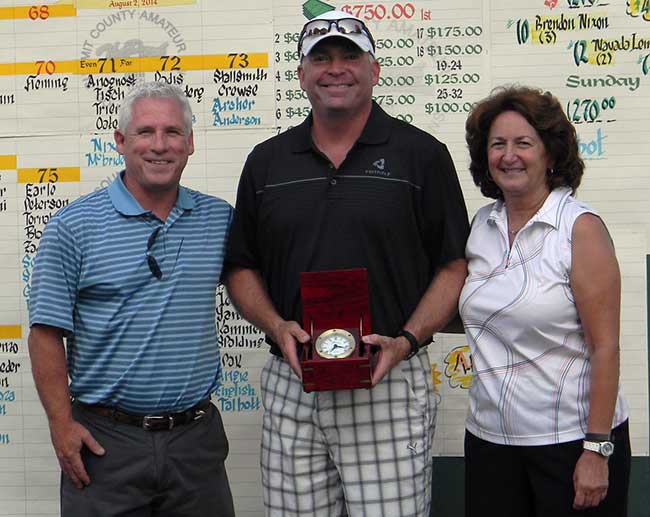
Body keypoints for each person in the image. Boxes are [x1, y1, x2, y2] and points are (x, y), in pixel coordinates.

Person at [224, 9, 469, 517]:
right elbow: (240, 267)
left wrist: (405, 341)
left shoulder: (421, 154)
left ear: (374, 70)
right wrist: (276, 325)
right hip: (293, 381)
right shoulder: (267, 161)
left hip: (388, 379)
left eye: (349, 56)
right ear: (301, 75)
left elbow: (453, 265)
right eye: (321, 58)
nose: (335, 69)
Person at [28, 82, 235, 517]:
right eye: (145, 132)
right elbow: (46, 333)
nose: (159, 146)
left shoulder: (219, 220)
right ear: (120, 142)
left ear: (190, 143)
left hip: (194, 443)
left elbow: (260, 284)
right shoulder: (73, 227)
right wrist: (61, 426)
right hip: (106, 444)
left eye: (172, 132)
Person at [460, 85, 630, 516]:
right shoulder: (483, 225)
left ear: (551, 155)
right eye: (497, 144)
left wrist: (597, 448)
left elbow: (605, 346)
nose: (508, 155)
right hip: (490, 440)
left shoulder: (579, 229)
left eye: (524, 143)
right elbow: (484, 313)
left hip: (570, 443)